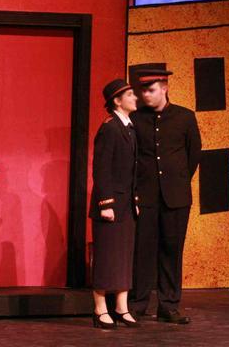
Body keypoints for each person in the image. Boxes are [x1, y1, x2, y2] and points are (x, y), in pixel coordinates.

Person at [129, 68, 201, 324]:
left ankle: (169, 305)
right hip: (145, 195)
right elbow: (133, 157)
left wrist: (177, 181)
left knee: (172, 250)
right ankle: (137, 304)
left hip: (176, 196)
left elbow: (193, 155)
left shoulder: (184, 117)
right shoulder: (136, 119)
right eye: (143, 91)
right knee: (143, 251)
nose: (146, 95)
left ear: (164, 88)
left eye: (151, 90)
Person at [89, 78, 140, 329]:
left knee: (124, 257)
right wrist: (105, 202)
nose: (135, 98)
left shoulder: (129, 128)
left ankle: (121, 307)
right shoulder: (109, 128)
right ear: (117, 101)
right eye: (130, 95)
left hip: (126, 204)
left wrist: (135, 199)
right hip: (110, 204)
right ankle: (100, 309)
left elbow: (132, 170)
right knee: (107, 257)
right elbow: (102, 168)